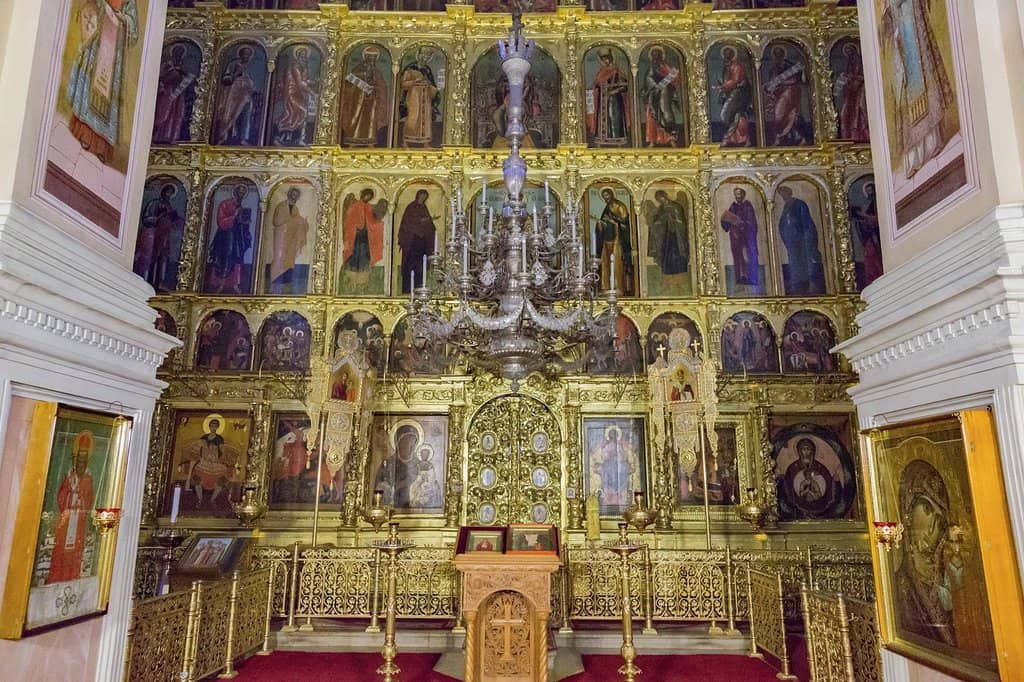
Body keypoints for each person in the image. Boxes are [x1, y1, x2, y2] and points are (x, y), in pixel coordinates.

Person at [881, 0, 958, 178]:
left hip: (910, 27)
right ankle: (915, 155)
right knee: (904, 91)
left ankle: (931, 143)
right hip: (901, 31)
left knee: (920, 78)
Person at [66, 0, 140, 164]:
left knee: (107, 99)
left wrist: (122, 18)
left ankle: (101, 147)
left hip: (113, 53)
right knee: (90, 86)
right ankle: (83, 133)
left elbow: (133, 31)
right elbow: (92, 7)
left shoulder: (130, 2)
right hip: (98, 43)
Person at [47, 431, 96, 583]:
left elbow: (89, 500)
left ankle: (72, 577)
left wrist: (81, 499)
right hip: (67, 519)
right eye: (78, 459)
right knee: (61, 550)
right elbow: (61, 496)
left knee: (75, 551)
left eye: (83, 459)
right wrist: (70, 496)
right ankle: (56, 578)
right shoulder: (68, 476)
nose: (80, 462)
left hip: (78, 520)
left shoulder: (88, 478)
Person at [182, 415, 240, 508]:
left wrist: (216, 456)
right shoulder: (204, 437)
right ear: (209, 426)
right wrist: (203, 455)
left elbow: (222, 451)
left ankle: (212, 500)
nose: (213, 427)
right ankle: (200, 500)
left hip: (215, 462)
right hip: (203, 461)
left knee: (222, 479)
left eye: (215, 425)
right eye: (212, 425)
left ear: (217, 427)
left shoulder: (219, 438)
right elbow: (199, 448)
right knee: (197, 479)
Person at [134, 183, 182, 291]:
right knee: (150, 257)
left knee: (163, 258)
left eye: (170, 192)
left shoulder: (169, 206)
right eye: (167, 191)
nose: (168, 194)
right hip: (153, 235)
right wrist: (160, 217)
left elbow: (175, 222)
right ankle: (144, 281)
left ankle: (159, 282)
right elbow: (147, 218)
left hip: (164, 236)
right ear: (163, 192)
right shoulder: (154, 203)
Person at [206, 184, 253, 294]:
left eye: (242, 193)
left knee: (237, 259)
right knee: (225, 260)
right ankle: (221, 284)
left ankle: (235, 284)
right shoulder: (225, 204)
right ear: (235, 192)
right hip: (225, 237)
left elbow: (241, 223)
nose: (240, 195)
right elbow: (221, 221)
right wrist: (234, 216)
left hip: (236, 236)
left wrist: (245, 222)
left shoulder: (240, 206)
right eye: (239, 192)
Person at [777, 185, 823, 295]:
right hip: (791, 239)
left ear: (789, 193)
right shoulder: (786, 206)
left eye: (784, 193)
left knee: (806, 260)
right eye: (781, 194)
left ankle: (811, 285)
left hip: (802, 237)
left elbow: (806, 221)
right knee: (794, 261)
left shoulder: (799, 204)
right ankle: (797, 284)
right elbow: (782, 223)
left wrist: (796, 225)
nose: (783, 196)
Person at [340, 45, 389, 147]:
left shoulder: (376, 72)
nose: (372, 60)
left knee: (371, 121)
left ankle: (370, 142)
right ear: (365, 57)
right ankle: (352, 141)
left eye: (374, 58)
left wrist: (376, 89)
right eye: (370, 57)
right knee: (355, 119)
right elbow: (348, 83)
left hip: (371, 102)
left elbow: (382, 87)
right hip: (357, 101)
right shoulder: (357, 70)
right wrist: (363, 86)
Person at [212, 45, 260, 145]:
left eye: (248, 54)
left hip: (245, 95)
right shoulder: (233, 64)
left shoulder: (249, 67)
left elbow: (250, 82)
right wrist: (236, 73)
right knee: (229, 113)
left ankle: (242, 138)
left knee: (246, 114)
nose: (246, 56)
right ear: (241, 55)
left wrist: (253, 90)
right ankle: (223, 135)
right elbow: (226, 79)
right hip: (232, 94)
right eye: (244, 54)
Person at [341, 188, 388, 289]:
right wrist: (356, 227)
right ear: (362, 195)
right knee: (354, 255)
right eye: (366, 195)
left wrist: (378, 225)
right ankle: (351, 278)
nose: (368, 198)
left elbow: (371, 221)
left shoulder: (368, 207)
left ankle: (363, 280)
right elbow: (349, 221)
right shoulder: (355, 206)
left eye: (370, 196)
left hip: (366, 236)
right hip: (356, 236)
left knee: (365, 256)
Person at [763, 45, 809, 146]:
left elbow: (796, 79)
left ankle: (782, 138)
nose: (777, 56)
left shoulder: (789, 66)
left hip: (790, 92)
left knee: (782, 114)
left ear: (783, 55)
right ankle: (796, 137)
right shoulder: (773, 69)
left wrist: (783, 82)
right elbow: (772, 83)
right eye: (776, 54)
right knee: (784, 116)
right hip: (779, 94)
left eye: (779, 54)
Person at [272, 46, 317, 146]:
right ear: (297, 57)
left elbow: (304, 81)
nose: (304, 59)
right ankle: (277, 136)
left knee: (296, 115)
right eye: (302, 57)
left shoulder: (303, 67)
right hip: (291, 93)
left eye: (305, 57)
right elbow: (300, 83)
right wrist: (311, 91)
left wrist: (313, 82)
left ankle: (293, 138)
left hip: (299, 94)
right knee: (294, 113)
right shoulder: (295, 67)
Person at [780, 438, 837, 517]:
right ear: (799, 451)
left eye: (808, 449)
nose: (806, 452)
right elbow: (788, 489)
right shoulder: (792, 468)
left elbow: (827, 488)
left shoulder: (821, 468)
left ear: (813, 451)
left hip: (818, 508)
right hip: (797, 509)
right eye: (803, 449)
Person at [152, 43, 196, 144]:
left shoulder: (182, 67)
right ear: (173, 53)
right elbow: (159, 77)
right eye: (177, 53)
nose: (178, 55)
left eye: (180, 53)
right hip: (166, 92)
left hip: (178, 95)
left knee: (176, 114)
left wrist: (182, 73)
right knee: (163, 114)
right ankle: (157, 135)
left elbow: (188, 80)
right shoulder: (167, 65)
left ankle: (171, 136)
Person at [268, 187, 309, 294]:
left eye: (296, 195)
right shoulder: (281, 206)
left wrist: (303, 222)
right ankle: (274, 284)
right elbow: (277, 221)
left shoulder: (295, 208)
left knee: (289, 260)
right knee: (279, 259)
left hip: (291, 239)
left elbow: (297, 221)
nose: (294, 197)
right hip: (281, 237)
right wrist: (295, 221)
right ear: (289, 194)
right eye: (293, 194)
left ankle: (283, 286)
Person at [641, 46, 683, 147]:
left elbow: (674, 79)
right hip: (653, 95)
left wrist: (664, 85)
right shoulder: (651, 68)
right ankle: (653, 140)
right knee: (652, 118)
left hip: (664, 95)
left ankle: (671, 140)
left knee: (666, 114)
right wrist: (654, 86)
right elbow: (648, 79)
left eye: (657, 54)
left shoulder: (666, 67)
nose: (656, 57)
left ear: (661, 56)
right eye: (654, 55)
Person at [398, 48, 441, 148]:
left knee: (426, 120)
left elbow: (433, 86)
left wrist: (430, 85)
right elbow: (403, 84)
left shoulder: (427, 70)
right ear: (418, 55)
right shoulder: (410, 68)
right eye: (423, 55)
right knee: (412, 119)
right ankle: (405, 142)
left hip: (425, 98)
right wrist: (415, 81)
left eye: (427, 56)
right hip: (414, 97)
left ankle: (425, 143)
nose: (425, 58)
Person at [397, 189, 437, 294]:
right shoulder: (411, 207)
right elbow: (408, 222)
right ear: (418, 196)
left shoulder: (424, 208)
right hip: (412, 242)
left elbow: (429, 226)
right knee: (409, 266)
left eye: (425, 197)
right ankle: (407, 290)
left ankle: (419, 289)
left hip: (422, 242)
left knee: (421, 266)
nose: (423, 198)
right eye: (422, 196)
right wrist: (424, 220)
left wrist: (430, 226)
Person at [587, 49, 631, 146]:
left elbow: (625, 86)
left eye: (607, 59)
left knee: (614, 118)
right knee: (603, 119)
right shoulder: (601, 71)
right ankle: (602, 140)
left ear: (611, 59)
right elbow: (597, 84)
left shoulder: (617, 71)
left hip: (614, 100)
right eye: (603, 59)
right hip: (602, 100)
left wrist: (613, 91)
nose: (605, 61)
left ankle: (617, 140)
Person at [646, 190, 689, 289]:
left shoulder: (676, 206)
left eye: (661, 197)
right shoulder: (661, 209)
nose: (660, 200)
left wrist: (672, 220)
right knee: (666, 259)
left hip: (676, 237)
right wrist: (655, 222)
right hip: (665, 238)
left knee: (678, 258)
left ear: (665, 195)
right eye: (658, 199)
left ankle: (679, 281)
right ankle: (667, 282)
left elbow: (681, 222)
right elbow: (657, 222)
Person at [720, 186, 760, 289]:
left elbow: (752, 222)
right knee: (738, 257)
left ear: (743, 195)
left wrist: (743, 223)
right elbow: (726, 222)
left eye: (739, 194)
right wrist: (725, 220)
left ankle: (750, 277)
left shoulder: (747, 206)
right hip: (735, 237)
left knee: (746, 255)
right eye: (736, 194)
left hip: (746, 236)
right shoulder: (733, 207)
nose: (738, 196)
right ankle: (741, 277)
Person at [595, 188, 633, 295]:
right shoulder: (607, 207)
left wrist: (613, 221)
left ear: (612, 194)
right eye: (604, 197)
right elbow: (604, 221)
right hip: (607, 240)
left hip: (617, 240)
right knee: (606, 262)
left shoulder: (620, 206)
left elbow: (625, 223)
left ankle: (618, 286)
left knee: (617, 262)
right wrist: (600, 224)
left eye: (607, 195)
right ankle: (606, 287)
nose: (606, 198)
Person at [374, 423, 420, 508]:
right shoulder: (388, 463)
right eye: (405, 442)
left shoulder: (421, 466)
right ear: (397, 443)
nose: (409, 446)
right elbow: (378, 490)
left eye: (412, 443)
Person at [717, 46, 753, 146]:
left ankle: (727, 137)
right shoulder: (727, 67)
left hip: (740, 93)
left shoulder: (737, 66)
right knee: (738, 116)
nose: (726, 56)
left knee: (726, 115)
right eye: (725, 54)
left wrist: (724, 86)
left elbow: (736, 80)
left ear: (732, 55)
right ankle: (743, 139)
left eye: (728, 54)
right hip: (731, 93)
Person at [849, 181, 883, 288]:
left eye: (871, 190)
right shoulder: (871, 205)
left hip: (879, 236)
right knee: (870, 256)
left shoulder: (878, 203)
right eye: (868, 191)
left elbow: (879, 219)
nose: (869, 193)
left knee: (875, 256)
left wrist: (864, 216)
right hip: (872, 235)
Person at [836, 42, 869, 143]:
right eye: (847, 52)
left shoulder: (859, 62)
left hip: (859, 91)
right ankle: (849, 136)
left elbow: (861, 77)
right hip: (850, 93)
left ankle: (861, 136)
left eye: (851, 51)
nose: (849, 54)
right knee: (847, 114)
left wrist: (852, 78)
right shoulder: (849, 63)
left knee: (859, 112)